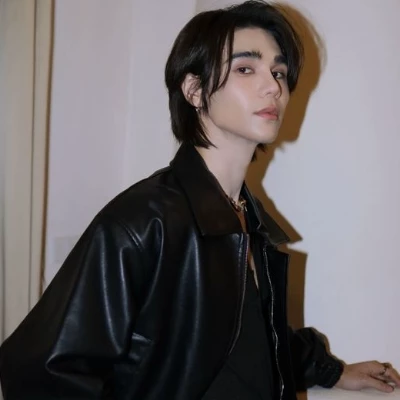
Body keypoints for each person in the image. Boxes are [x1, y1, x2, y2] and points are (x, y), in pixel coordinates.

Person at [0, 1, 399, 399]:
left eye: (278, 72)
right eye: (246, 69)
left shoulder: (248, 218)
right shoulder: (143, 222)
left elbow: (246, 338)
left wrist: (333, 371)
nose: (274, 87)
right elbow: (42, 371)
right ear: (194, 90)